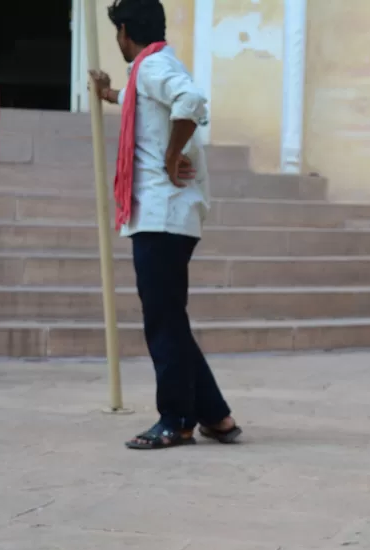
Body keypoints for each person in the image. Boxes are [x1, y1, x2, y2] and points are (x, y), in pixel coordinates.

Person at [89, 0, 240, 449]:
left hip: (163, 216)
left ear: (124, 33)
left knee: (163, 322)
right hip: (166, 216)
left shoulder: (152, 66)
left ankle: (176, 420)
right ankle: (217, 416)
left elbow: (190, 102)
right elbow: (149, 101)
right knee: (170, 319)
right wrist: (110, 93)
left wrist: (172, 155)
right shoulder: (152, 67)